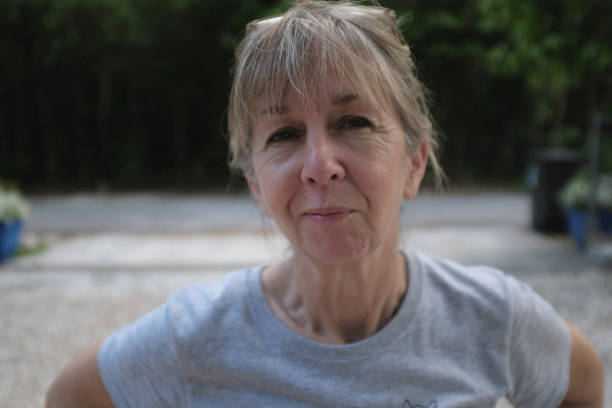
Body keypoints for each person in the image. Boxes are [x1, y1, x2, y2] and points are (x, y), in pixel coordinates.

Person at [46, 1, 604, 407]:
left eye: (353, 122)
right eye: (284, 134)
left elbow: (582, 384)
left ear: (414, 163)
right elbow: (72, 396)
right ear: (257, 186)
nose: (319, 164)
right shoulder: (196, 338)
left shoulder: (491, 318)